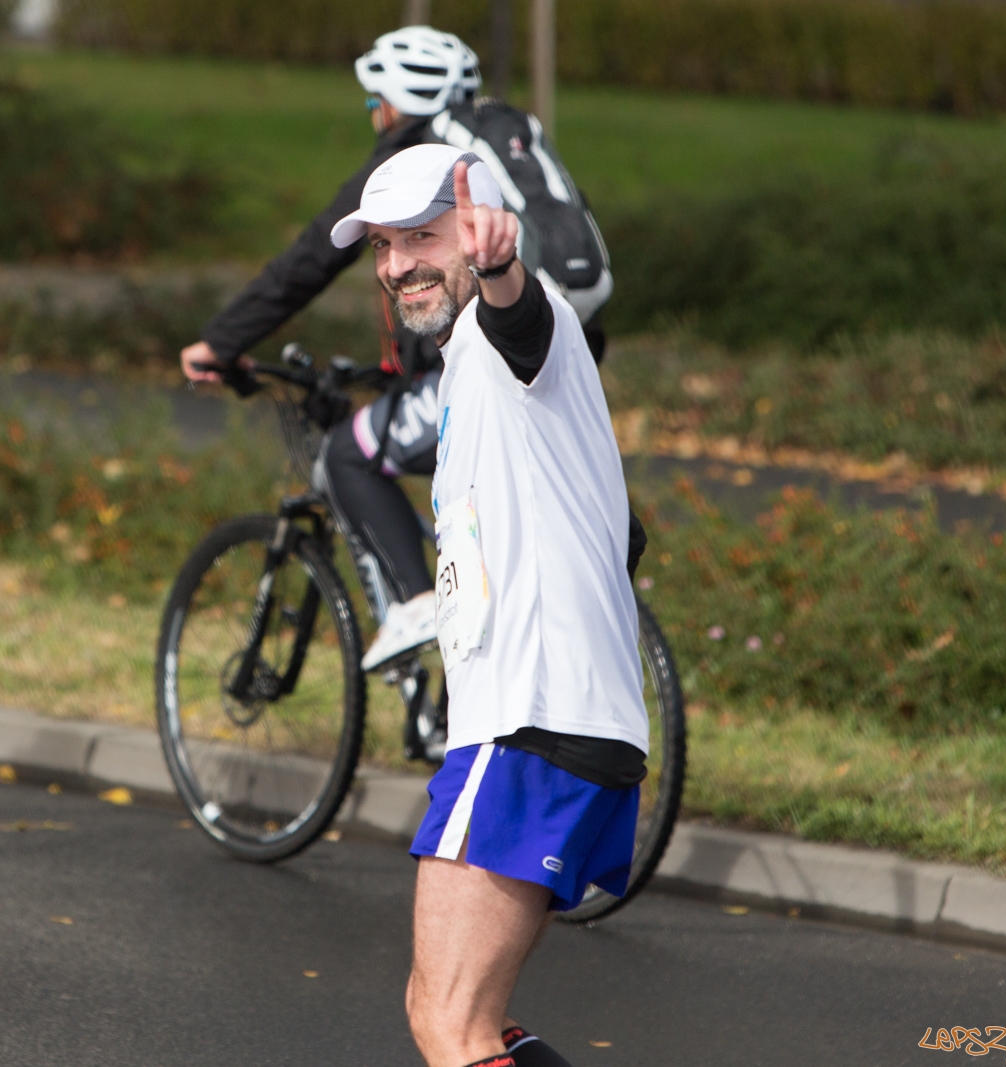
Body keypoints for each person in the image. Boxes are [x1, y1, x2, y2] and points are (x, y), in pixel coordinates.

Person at [179, 26, 635, 684]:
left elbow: (311, 257)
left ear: (395, 101)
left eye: (374, 103)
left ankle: (421, 607)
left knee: (348, 453)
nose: (375, 118)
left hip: (506, 350)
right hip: (569, 350)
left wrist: (221, 341)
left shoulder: (417, 164)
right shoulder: (507, 145)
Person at [330, 144, 648, 1067]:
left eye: (425, 236)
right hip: (554, 722)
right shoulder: (473, 374)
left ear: (480, 230)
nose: (398, 266)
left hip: (530, 722)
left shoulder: (513, 337)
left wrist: (505, 268)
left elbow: (524, 319)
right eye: (384, 247)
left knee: (449, 1022)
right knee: (465, 1016)